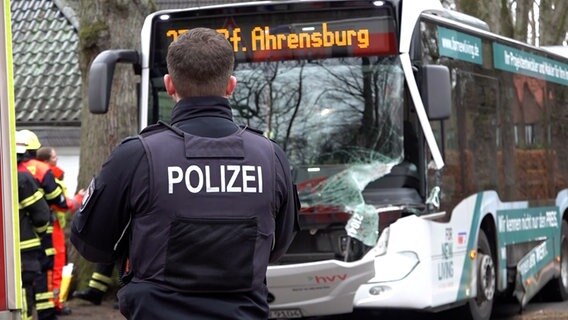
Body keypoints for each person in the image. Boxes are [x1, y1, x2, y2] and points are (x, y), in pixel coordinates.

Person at [71, 28, 298, 319]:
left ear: (169, 85)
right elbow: (277, 246)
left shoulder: (137, 155)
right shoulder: (270, 156)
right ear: (231, 86)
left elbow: (91, 244)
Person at [17, 129, 68, 320]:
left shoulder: (12, 172)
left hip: (19, 238)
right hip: (38, 232)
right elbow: (57, 200)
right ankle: (46, 311)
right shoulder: (39, 170)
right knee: (42, 270)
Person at [37, 146, 84, 315]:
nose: (57, 159)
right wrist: (78, 199)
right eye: (54, 156)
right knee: (55, 268)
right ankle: (55, 303)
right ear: (46, 160)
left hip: (53, 227)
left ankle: (54, 301)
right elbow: (62, 203)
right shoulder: (49, 178)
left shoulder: (48, 177)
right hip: (53, 228)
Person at [16, 140, 52, 320]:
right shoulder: (21, 179)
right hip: (24, 251)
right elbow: (42, 215)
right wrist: (39, 232)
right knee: (22, 295)